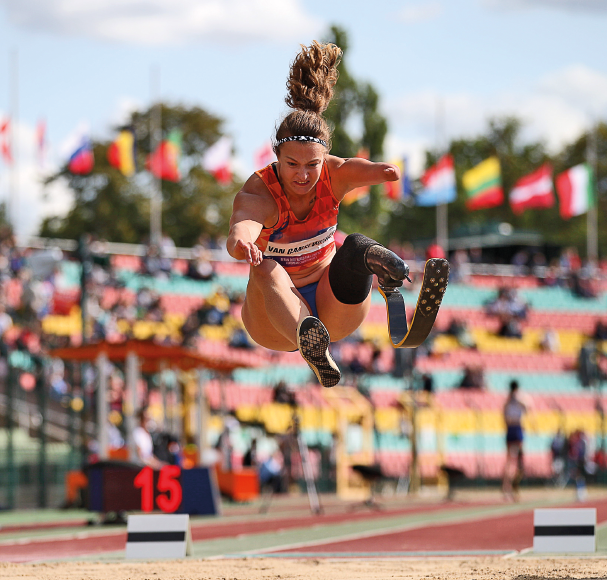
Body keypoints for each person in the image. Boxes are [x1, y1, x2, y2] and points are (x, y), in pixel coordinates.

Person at [227, 40, 409, 388]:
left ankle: (389, 273)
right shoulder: (260, 192)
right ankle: (311, 345)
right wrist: (243, 245)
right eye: (292, 165)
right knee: (264, 266)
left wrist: (380, 172)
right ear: (276, 158)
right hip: (275, 322)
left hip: (331, 309)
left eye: (312, 165)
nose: (303, 175)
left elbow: (356, 168)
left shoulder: (332, 175)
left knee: (356, 245)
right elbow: (241, 228)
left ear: (323, 160)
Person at [502, 380, 527, 501]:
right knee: (513, 462)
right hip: (516, 429)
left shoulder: (510, 401)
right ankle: (509, 488)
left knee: (515, 462)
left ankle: (510, 488)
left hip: (512, 429)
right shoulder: (513, 400)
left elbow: (504, 415)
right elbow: (527, 408)